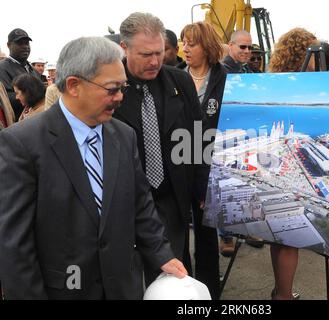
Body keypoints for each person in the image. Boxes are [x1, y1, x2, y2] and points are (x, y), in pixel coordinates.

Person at [0, 36, 187, 299]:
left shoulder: (123, 135)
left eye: (123, 87)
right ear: (74, 85)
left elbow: (140, 202)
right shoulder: (22, 144)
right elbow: (14, 246)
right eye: (112, 89)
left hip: (123, 287)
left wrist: (161, 253)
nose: (121, 97)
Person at [114, 12, 205, 285]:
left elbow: (197, 136)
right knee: (127, 277)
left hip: (170, 199)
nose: (155, 61)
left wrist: (201, 187)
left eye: (159, 52)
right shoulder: (108, 86)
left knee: (169, 273)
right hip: (124, 201)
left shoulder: (180, 81)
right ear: (124, 48)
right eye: (145, 54)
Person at [268, 27, 319, 300]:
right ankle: (284, 295)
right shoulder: (303, 87)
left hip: (277, 163)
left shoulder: (273, 83)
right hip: (289, 162)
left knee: (279, 235)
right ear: (304, 53)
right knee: (289, 237)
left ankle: (281, 289)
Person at [177, 21, 227, 300]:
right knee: (178, 231)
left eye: (191, 43)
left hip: (211, 166)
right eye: (184, 42)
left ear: (206, 46)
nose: (185, 48)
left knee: (207, 234)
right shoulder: (175, 78)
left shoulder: (225, 78)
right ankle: (182, 288)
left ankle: (208, 291)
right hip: (180, 164)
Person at [0, 28, 40, 120]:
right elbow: (5, 99)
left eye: (27, 43)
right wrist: (37, 95)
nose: (25, 46)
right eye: (20, 43)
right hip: (16, 127)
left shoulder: (33, 70)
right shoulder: (2, 68)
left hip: (38, 122)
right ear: (8, 45)